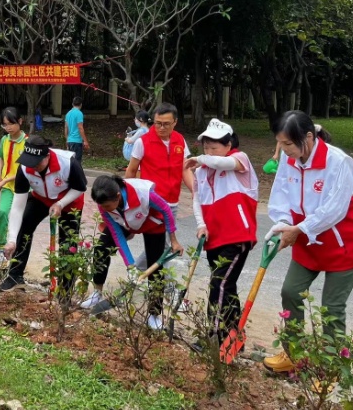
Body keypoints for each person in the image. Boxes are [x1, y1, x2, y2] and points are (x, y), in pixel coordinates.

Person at [262, 111, 353, 373]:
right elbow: (280, 198)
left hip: (343, 241)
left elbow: (335, 209)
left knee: (331, 308)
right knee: (290, 291)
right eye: (281, 143)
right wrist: (282, 226)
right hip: (305, 239)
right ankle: (294, 354)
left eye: (288, 144)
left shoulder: (338, 162)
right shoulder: (290, 161)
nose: (284, 150)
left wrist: (298, 229)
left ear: (308, 137)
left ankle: (332, 367)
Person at [184, 118, 258, 349]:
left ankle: (213, 338)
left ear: (228, 145)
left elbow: (223, 164)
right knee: (227, 285)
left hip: (237, 235)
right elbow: (197, 199)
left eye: (214, 147)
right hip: (213, 237)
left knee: (219, 284)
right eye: (205, 147)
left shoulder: (239, 159)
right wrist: (200, 224)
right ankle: (234, 337)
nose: (208, 152)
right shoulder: (202, 171)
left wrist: (201, 159)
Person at [82, 175, 184, 330]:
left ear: (117, 196)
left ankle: (154, 314)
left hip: (152, 223)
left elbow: (166, 210)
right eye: (104, 207)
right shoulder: (104, 203)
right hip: (124, 222)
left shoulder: (143, 193)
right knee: (102, 248)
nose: (106, 209)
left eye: (109, 206)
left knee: (155, 268)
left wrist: (174, 240)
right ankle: (97, 292)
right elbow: (117, 235)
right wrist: (130, 265)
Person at [1, 135, 87, 292]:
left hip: (69, 202)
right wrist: (11, 239)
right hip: (40, 198)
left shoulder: (67, 163)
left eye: (37, 163)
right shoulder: (24, 168)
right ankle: (14, 275)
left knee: (67, 242)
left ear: (47, 156)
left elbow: (80, 188)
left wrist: (60, 203)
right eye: (30, 162)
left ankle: (64, 290)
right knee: (24, 225)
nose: (33, 167)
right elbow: (18, 206)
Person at [126, 102, 193, 268]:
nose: (161, 128)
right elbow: (131, 171)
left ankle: (138, 271)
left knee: (162, 244)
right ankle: (140, 272)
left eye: (166, 124)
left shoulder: (179, 140)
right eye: (157, 123)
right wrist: (129, 199)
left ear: (175, 122)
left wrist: (195, 190)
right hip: (152, 202)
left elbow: (185, 169)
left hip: (173, 201)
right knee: (159, 242)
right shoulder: (143, 142)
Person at [0, 107, 28, 267]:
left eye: (11, 124)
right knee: (3, 212)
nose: (8, 128)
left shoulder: (27, 141)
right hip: (6, 186)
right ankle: (1, 249)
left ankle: (16, 252)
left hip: (22, 187)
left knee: (17, 219)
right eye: (5, 125)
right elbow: (1, 158)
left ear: (20, 121)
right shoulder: (5, 140)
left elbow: (23, 169)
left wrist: (4, 180)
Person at [64, 96, 89, 165]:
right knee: (77, 162)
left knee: (71, 161)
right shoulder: (79, 113)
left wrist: (67, 139)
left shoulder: (68, 114)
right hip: (77, 141)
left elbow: (66, 128)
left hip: (70, 140)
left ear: (72, 104)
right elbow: (80, 127)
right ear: (81, 104)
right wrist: (85, 141)